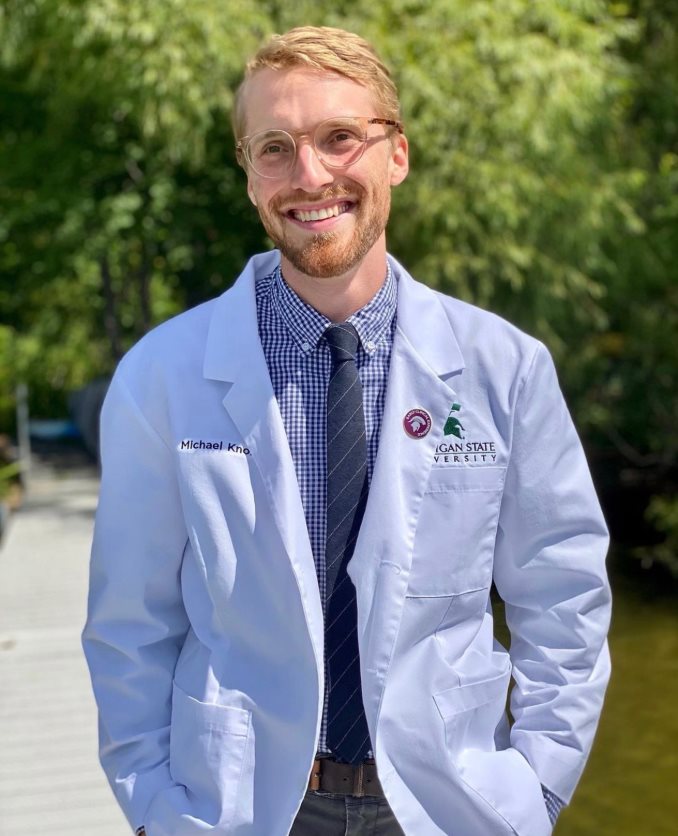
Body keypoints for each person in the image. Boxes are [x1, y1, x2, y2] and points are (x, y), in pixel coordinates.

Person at [82, 25, 612, 836]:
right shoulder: (162, 377)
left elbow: (562, 593)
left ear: (396, 154)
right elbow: (130, 624)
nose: (311, 175)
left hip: (449, 802)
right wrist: (154, 807)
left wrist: (536, 786)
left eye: (339, 138)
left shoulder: (506, 368)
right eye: (275, 149)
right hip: (240, 806)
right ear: (249, 174)